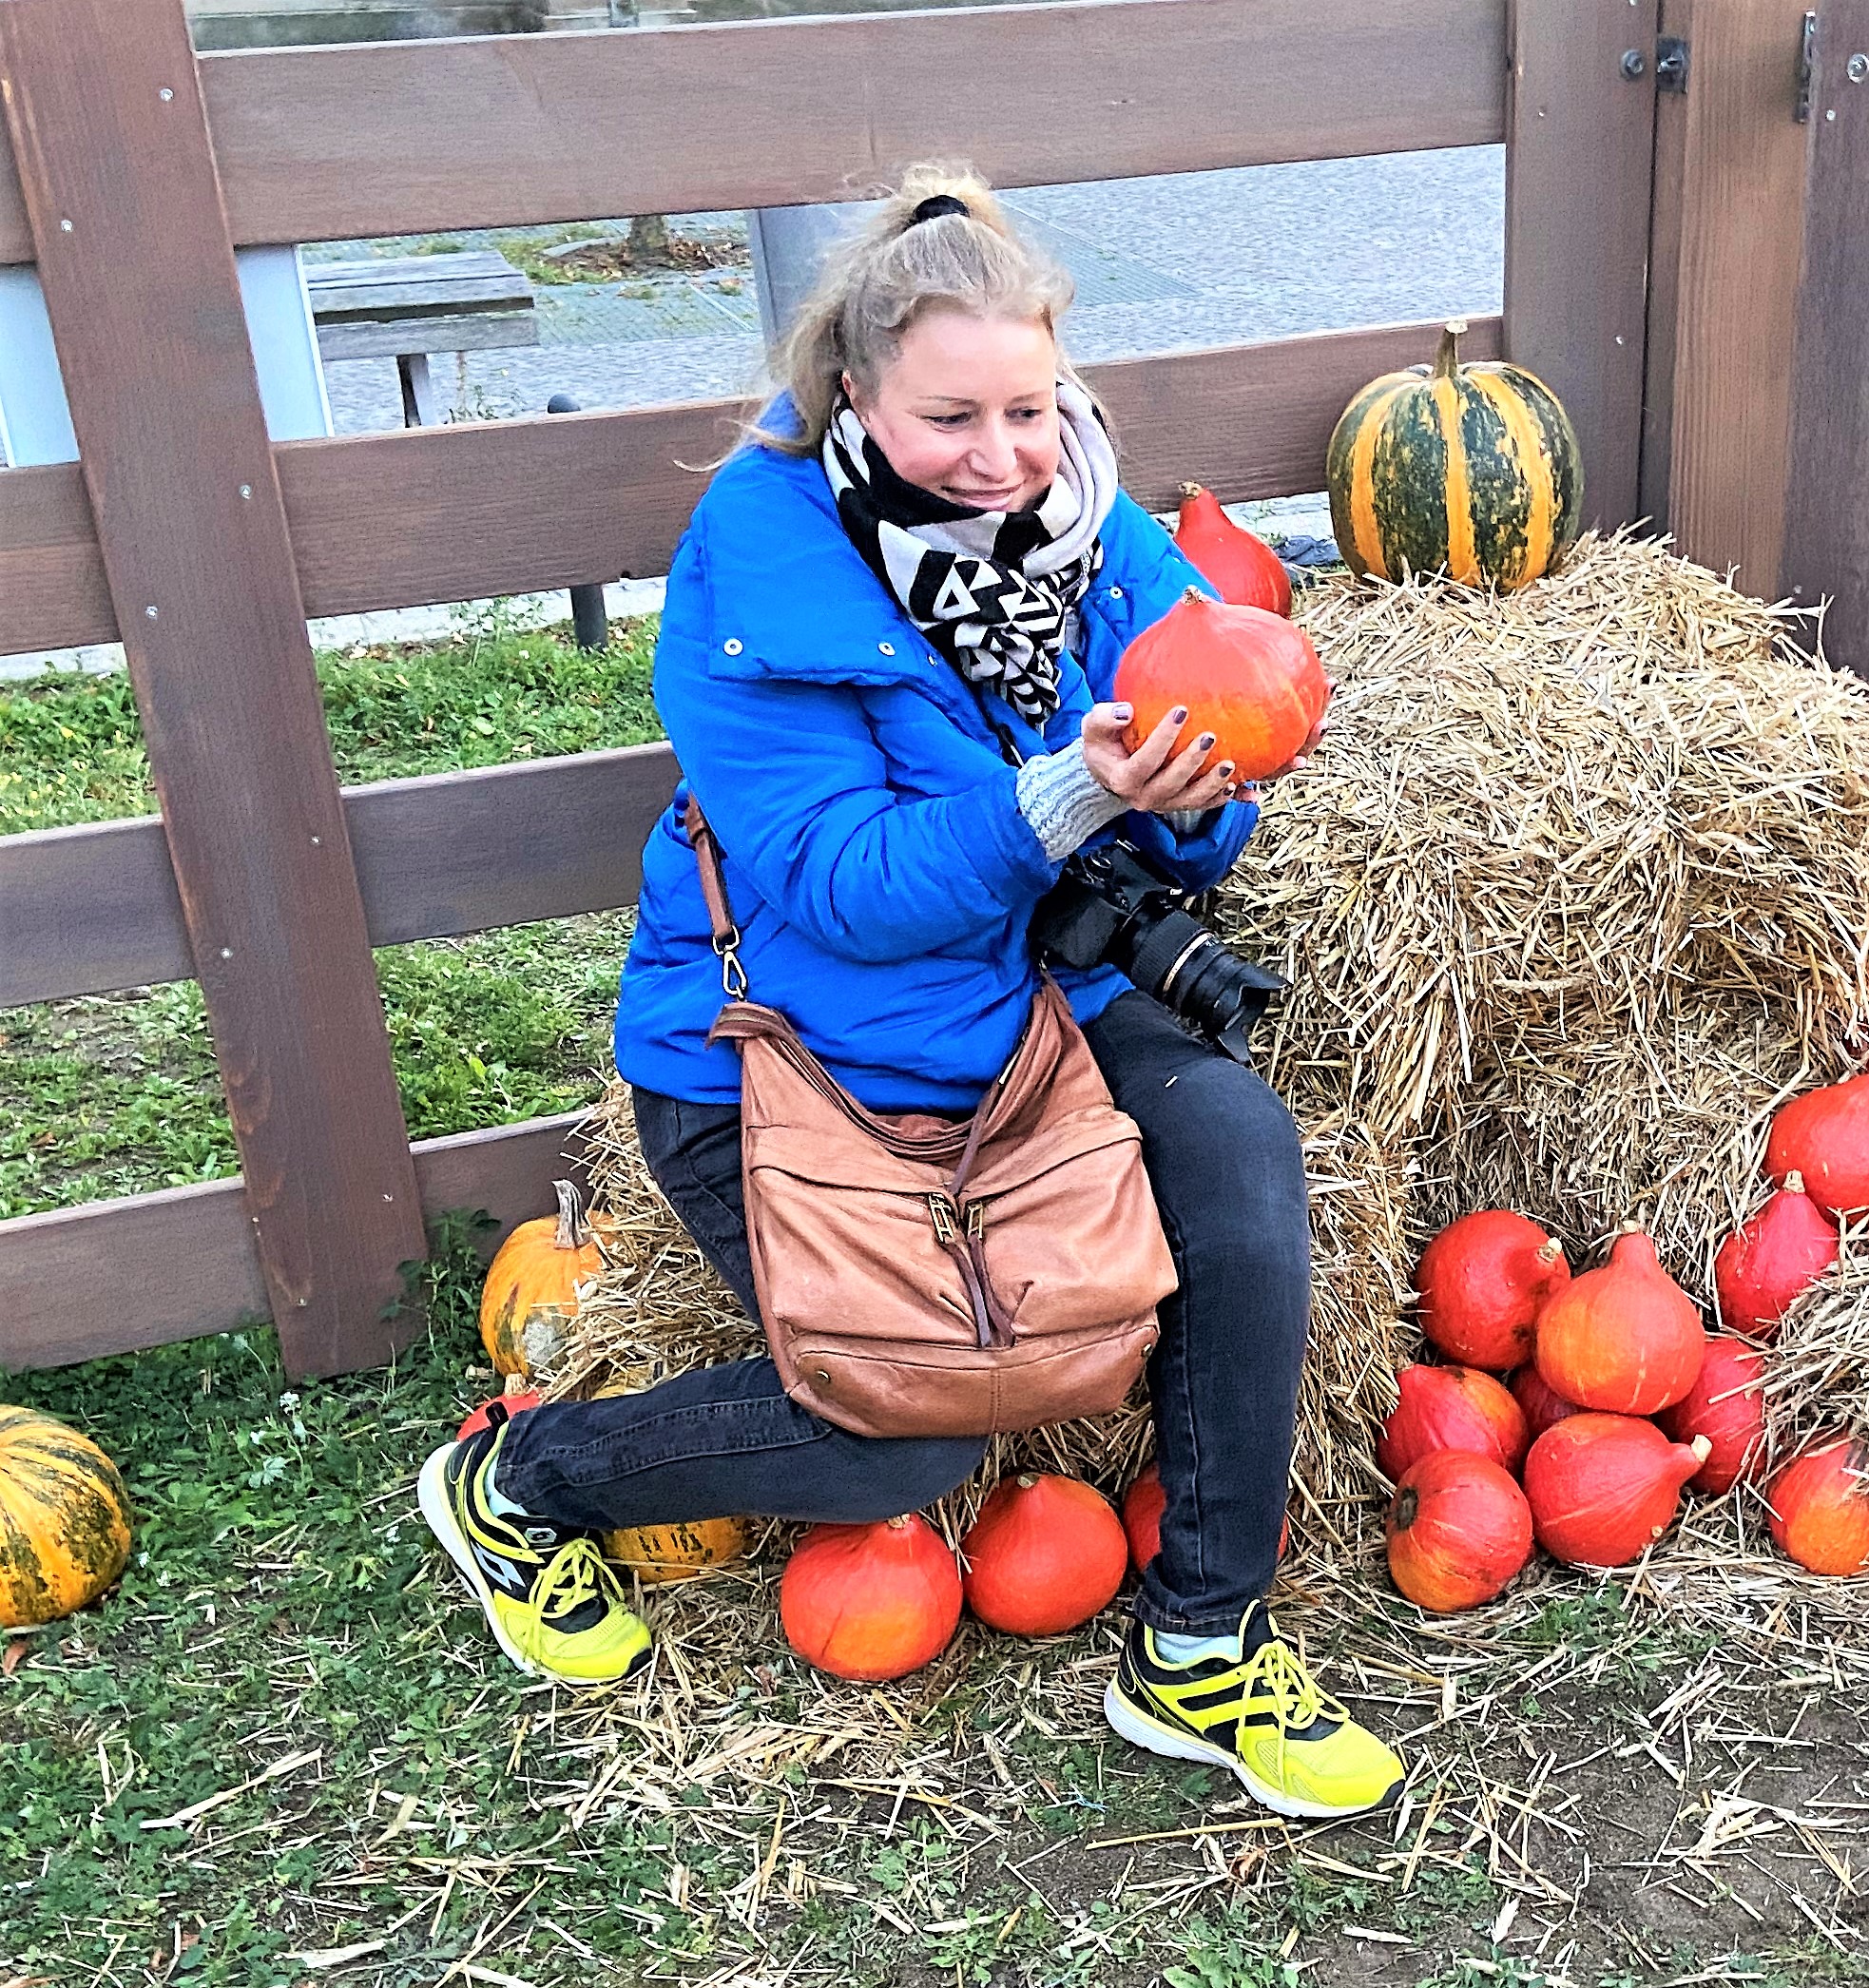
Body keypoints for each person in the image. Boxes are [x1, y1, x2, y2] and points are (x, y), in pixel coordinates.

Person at [414, 165, 1402, 1822]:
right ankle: (521, 1477)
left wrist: (1191, 795)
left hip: (1025, 1002)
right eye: (951, 418)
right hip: (788, 1050)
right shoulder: (764, 576)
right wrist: (1066, 796)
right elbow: (844, 890)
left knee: (1237, 1157)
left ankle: (1202, 1641)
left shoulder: (1096, 529)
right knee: (909, 1433)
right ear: (851, 397)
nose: (1003, 457)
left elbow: (1215, 738)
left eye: (1030, 408)